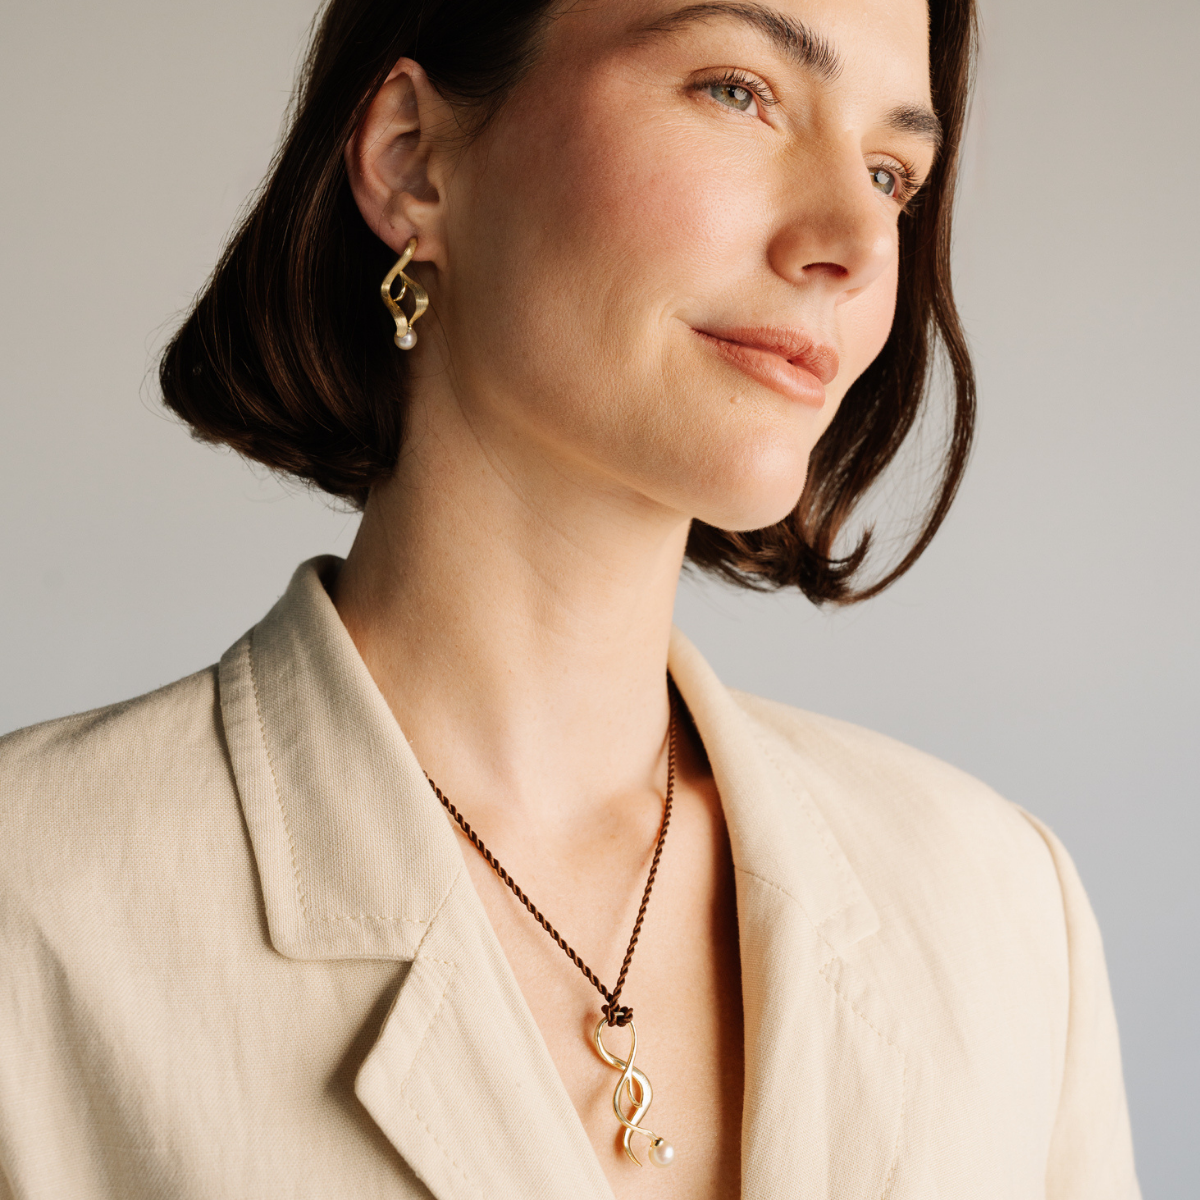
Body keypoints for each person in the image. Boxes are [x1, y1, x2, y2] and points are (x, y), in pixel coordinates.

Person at [0, 0, 1140, 1196]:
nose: (855, 241)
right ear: (413, 158)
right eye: (738, 92)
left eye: (891, 173)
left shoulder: (1006, 915)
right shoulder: (33, 905)